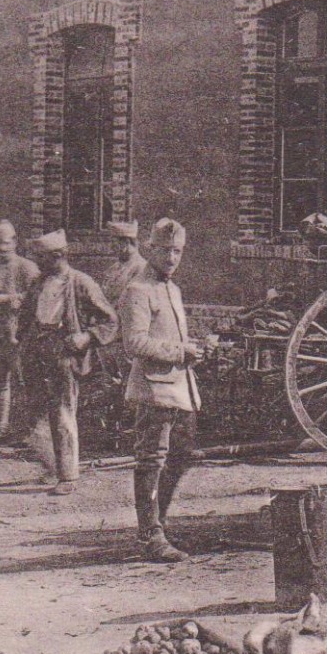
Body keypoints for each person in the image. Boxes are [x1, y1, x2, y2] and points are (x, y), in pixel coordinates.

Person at [120, 218, 205, 563]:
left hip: (181, 388)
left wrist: (191, 348)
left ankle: (160, 523)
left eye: (177, 251)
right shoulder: (138, 291)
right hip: (153, 390)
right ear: (150, 249)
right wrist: (180, 351)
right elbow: (134, 343)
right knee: (152, 461)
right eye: (165, 250)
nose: (171, 258)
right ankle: (149, 535)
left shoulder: (172, 289)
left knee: (181, 456)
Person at [19, 230, 117, 495]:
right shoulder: (39, 282)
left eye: (41, 257)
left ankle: (68, 476)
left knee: (63, 412)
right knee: (35, 413)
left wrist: (86, 337)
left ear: (58, 256)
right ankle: (53, 467)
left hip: (64, 352)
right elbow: (26, 316)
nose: (36, 262)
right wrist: (23, 343)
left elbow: (110, 321)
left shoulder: (81, 283)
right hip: (37, 352)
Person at [0, 219, 40, 446]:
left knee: (26, 381)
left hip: (19, 333)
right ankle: (0, 428)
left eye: (3, 243)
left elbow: (38, 299)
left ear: (14, 242)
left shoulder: (27, 268)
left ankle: (31, 430)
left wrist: (7, 299)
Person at [100, 220, 147, 307]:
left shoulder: (141, 267)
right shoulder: (114, 267)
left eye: (114, 242)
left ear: (126, 242)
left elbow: (133, 301)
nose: (111, 247)